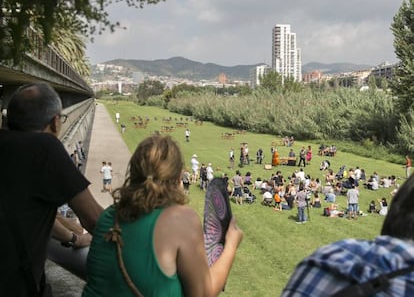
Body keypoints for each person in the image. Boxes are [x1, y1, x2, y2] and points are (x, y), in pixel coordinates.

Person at [82, 134, 243, 296]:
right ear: (178, 177)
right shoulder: (181, 220)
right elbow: (203, 294)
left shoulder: (107, 217)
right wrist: (231, 244)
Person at [0, 82, 103, 296]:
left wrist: (73, 238)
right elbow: (93, 219)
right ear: (55, 122)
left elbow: (27, 211)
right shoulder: (45, 147)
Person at [282, 174, 414, 296]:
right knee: (354, 209)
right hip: (351, 202)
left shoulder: (328, 260)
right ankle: (353, 216)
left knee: (350, 209)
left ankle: (351, 216)